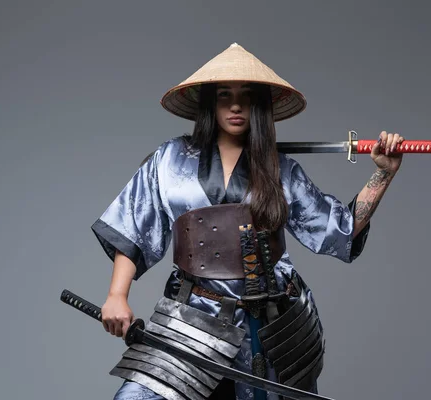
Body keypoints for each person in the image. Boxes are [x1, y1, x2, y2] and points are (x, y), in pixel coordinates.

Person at [91, 43, 405, 400]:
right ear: (211, 102)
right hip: (193, 316)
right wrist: (117, 295)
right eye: (225, 95)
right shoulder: (169, 160)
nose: (236, 105)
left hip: (270, 323)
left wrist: (383, 175)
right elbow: (134, 227)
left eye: (247, 96)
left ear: (260, 105)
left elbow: (338, 231)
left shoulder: (281, 170)